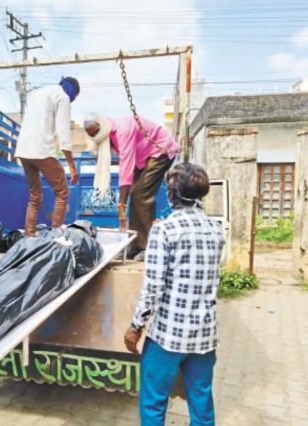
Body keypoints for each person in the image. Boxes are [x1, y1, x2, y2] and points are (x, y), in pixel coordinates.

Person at [123, 163, 225, 426]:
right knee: (201, 403)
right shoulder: (216, 229)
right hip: (205, 335)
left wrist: (136, 326)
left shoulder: (164, 230)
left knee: (154, 402)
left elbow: (153, 287)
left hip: (167, 337)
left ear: (171, 195)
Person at [84, 113, 179, 259]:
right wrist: (123, 202)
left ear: (102, 124)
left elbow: (126, 166)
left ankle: (147, 247)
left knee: (140, 194)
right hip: (143, 157)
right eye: (93, 135)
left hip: (161, 150)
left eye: (97, 131)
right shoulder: (107, 136)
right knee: (135, 195)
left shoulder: (123, 130)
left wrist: (121, 206)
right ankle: (135, 244)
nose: (96, 136)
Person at [14, 77, 80, 236]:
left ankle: (29, 236)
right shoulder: (62, 96)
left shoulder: (38, 93)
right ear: (71, 91)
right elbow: (64, 134)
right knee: (62, 192)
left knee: (35, 195)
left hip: (23, 150)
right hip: (42, 149)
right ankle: (56, 235)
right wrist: (72, 167)